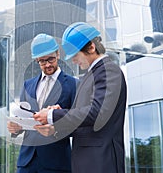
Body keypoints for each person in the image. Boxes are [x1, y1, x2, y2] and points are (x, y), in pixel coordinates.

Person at [33, 22, 127, 173]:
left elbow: (97, 113)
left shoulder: (108, 70)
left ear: (91, 47)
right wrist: (55, 127)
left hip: (101, 161)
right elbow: (83, 122)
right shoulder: (87, 77)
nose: (73, 61)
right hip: (86, 161)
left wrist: (52, 115)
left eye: (75, 55)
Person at [7, 33, 77, 173]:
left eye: (51, 59)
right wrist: (16, 128)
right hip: (27, 160)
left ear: (58, 54)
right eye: (42, 61)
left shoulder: (73, 84)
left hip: (56, 162)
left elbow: (78, 121)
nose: (47, 64)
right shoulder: (28, 85)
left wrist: (55, 129)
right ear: (37, 60)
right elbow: (23, 117)